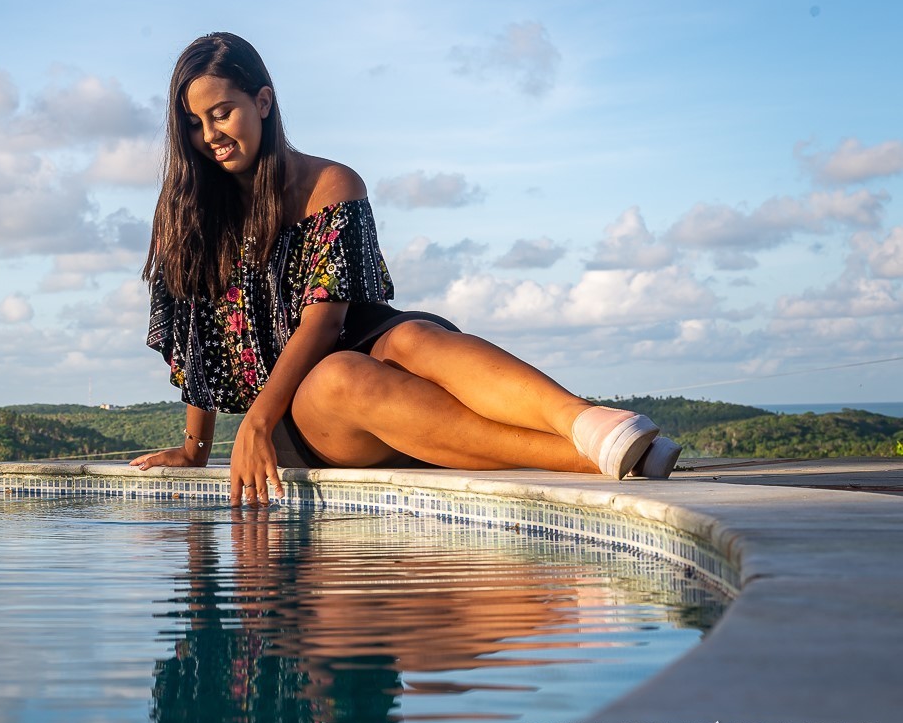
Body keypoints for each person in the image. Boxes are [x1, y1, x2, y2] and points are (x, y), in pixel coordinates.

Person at [131, 32, 681, 505]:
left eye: (221, 112)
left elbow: (325, 321)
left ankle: (589, 425)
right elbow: (196, 344)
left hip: (366, 345)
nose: (210, 134)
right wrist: (199, 447)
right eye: (195, 123)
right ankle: (588, 459)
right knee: (341, 376)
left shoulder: (330, 185)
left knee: (415, 334)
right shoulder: (189, 215)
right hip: (295, 413)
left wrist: (247, 422)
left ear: (264, 101)